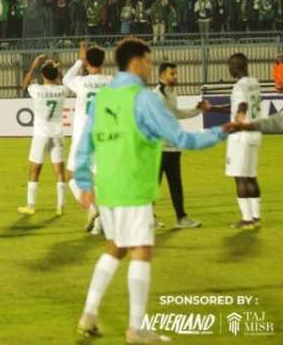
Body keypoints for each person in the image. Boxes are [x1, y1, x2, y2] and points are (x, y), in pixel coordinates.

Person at [74, 38, 230, 343]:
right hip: (133, 188)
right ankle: (136, 328)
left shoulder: (102, 98)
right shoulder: (143, 99)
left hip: (107, 188)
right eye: (148, 61)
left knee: (115, 248)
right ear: (136, 63)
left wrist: (83, 182)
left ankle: (89, 315)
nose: (150, 67)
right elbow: (181, 139)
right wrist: (220, 131)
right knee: (142, 252)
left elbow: (84, 145)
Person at [154, 62, 211, 228]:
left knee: (176, 185)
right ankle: (148, 219)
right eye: (172, 74)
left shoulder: (172, 92)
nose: (175, 76)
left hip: (172, 147)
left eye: (176, 74)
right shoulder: (157, 95)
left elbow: (176, 114)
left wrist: (197, 110)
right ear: (162, 76)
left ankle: (181, 218)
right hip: (158, 148)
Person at [63, 43, 112, 233]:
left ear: (86, 63)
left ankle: (92, 209)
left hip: (83, 136)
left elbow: (66, 78)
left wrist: (78, 61)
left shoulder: (81, 82)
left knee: (72, 177)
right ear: (103, 61)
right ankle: (99, 226)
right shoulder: (111, 81)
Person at [18, 54, 69, 216]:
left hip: (41, 135)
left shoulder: (37, 90)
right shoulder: (62, 90)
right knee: (59, 171)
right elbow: (63, 81)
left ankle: (31, 206)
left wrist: (34, 66)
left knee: (34, 170)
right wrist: (58, 71)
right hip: (57, 134)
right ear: (56, 75)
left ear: (42, 75)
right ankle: (61, 205)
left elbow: (24, 85)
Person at [219, 53, 263, 229]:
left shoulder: (238, 87)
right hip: (254, 134)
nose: (229, 69)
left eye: (230, 66)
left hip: (241, 136)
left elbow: (242, 106)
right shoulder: (254, 82)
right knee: (251, 176)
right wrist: (213, 108)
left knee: (240, 177)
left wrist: (238, 118)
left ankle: (246, 220)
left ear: (236, 67)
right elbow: (239, 105)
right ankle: (256, 218)